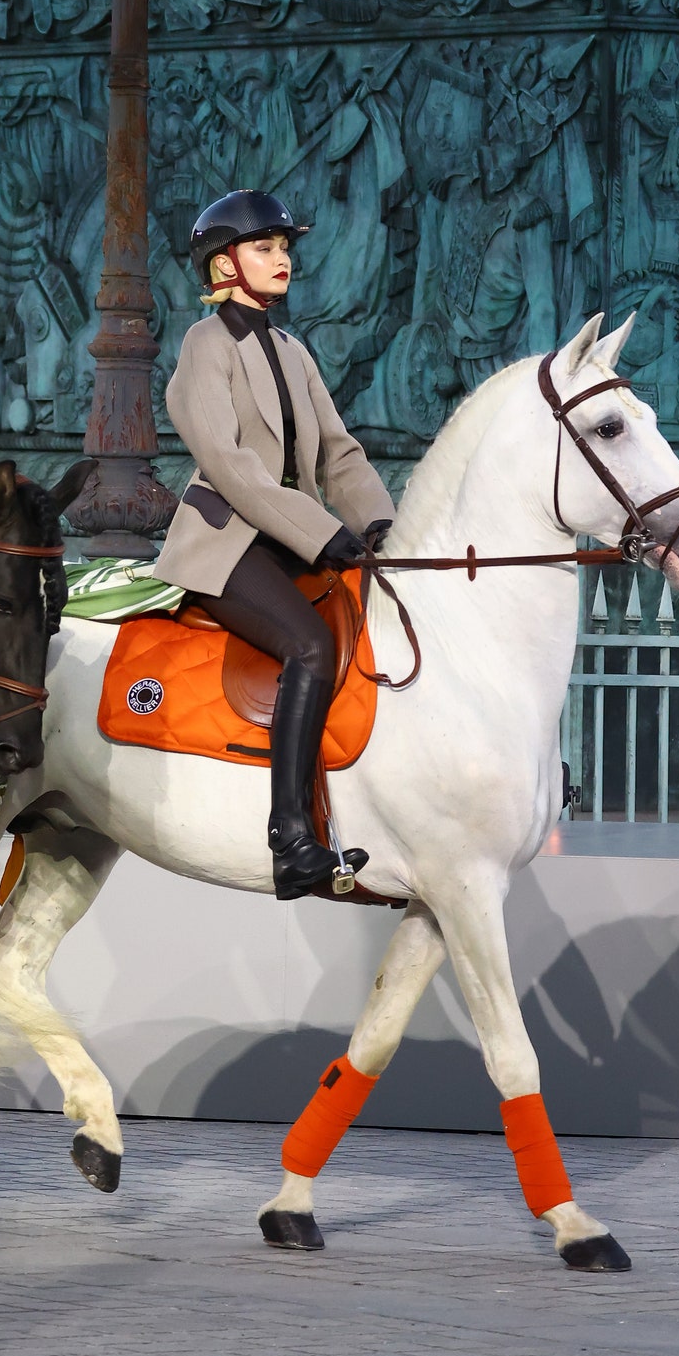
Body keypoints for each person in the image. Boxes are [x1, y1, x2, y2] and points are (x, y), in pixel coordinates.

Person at [151, 190, 396, 899]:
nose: (282, 259)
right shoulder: (205, 346)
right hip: (226, 543)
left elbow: (341, 456)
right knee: (311, 645)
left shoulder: (293, 350)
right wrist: (325, 536)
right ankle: (291, 839)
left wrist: (380, 526)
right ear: (224, 264)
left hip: (290, 538)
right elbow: (233, 469)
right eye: (266, 248)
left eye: (285, 248)